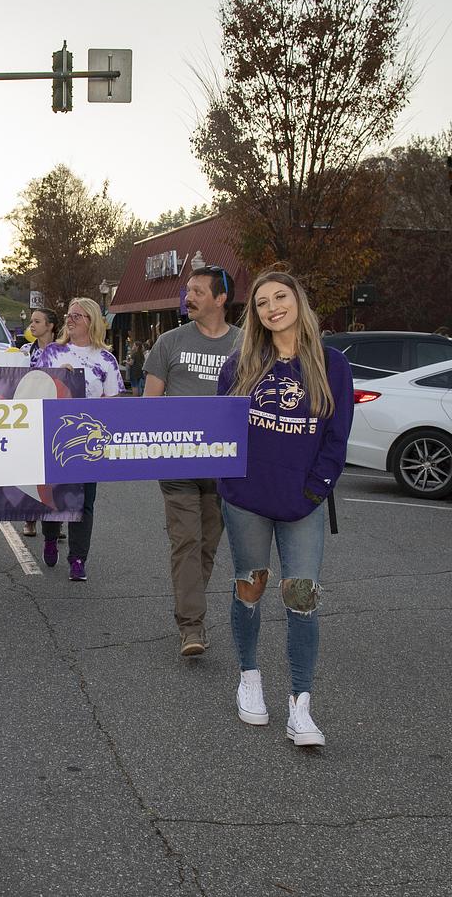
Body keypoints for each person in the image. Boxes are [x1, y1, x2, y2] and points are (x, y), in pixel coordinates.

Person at [217, 270, 352, 748]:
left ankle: (301, 705)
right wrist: (230, 484)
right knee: (250, 587)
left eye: (280, 296)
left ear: (298, 299)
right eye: (261, 303)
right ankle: (249, 677)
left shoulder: (332, 366)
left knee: (302, 598)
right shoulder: (239, 366)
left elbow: (336, 441)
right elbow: (219, 435)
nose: (272, 307)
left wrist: (313, 492)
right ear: (254, 315)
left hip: (302, 505)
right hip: (247, 502)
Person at [142, 265, 242, 656]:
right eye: (188, 290)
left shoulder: (246, 343)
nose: (189, 297)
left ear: (220, 298)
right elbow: (150, 405)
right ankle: (192, 627)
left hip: (224, 467)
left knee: (206, 547)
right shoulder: (168, 342)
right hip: (178, 463)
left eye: (198, 291)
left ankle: (189, 608)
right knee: (186, 541)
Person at [29, 297, 123, 581]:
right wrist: (59, 378)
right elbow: (33, 389)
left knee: (84, 502)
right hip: (52, 434)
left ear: (91, 322)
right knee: (54, 496)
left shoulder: (105, 359)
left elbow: (113, 401)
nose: (70, 320)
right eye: (69, 316)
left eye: (77, 316)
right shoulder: (52, 353)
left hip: (89, 441)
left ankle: (78, 558)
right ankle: (50, 535)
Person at [21, 307, 62, 538]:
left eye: (37, 321)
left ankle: (57, 520)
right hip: (29, 414)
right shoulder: (26, 351)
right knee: (30, 467)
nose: (32, 325)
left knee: (54, 467)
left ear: (50, 326)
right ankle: (29, 517)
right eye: (31, 322)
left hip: (55, 414)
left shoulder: (63, 351)